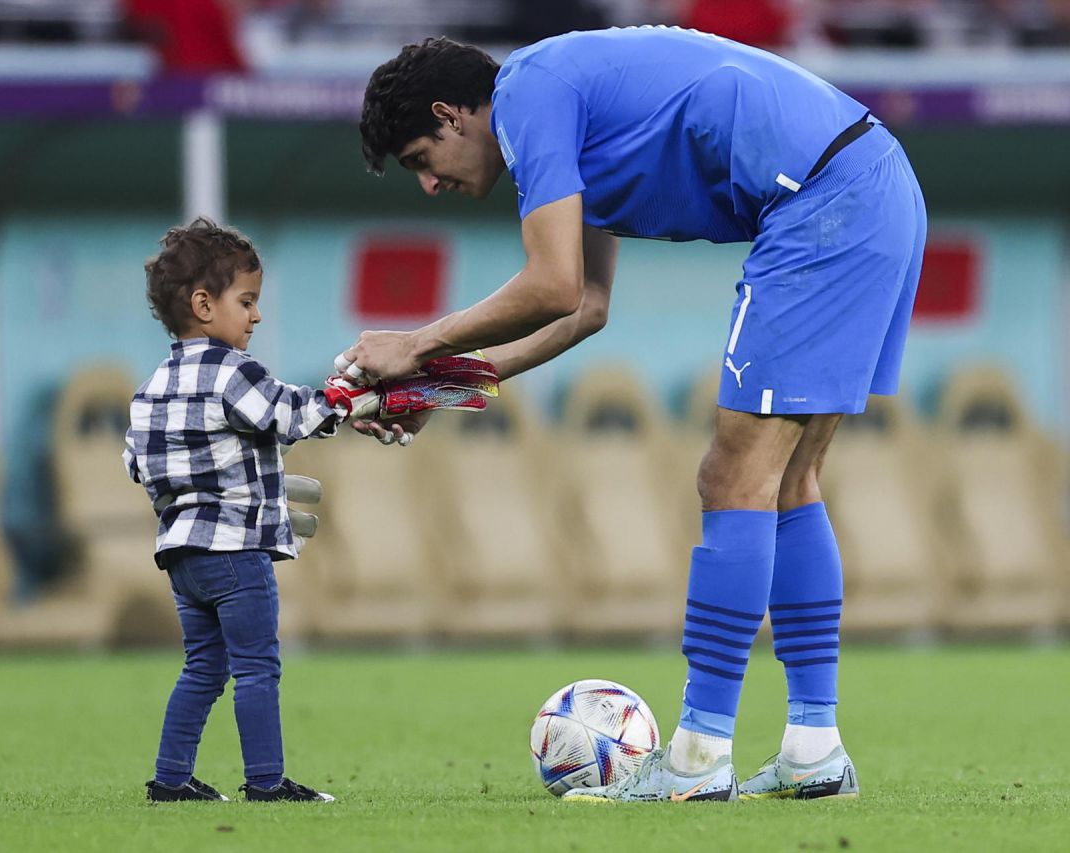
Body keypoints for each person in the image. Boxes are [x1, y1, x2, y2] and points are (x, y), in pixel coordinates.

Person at [346, 27, 926, 801]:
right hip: (874, 185)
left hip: (823, 201)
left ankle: (695, 759)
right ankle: (813, 748)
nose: (428, 184)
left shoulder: (526, 96)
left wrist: (414, 342)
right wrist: (435, 385)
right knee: (790, 482)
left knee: (731, 476)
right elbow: (585, 307)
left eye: (421, 159)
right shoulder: (564, 110)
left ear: (453, 115)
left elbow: (549, 284)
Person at [123, 218, 339, 804]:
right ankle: (266, 782)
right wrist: (350, 394)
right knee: (257, 667)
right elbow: (292, 415)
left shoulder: (151, 388)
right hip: (236, 552)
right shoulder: (233, 371)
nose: (256, 316)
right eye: (246, 301)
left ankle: (170, 780)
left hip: (183, 556)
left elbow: (137, 467)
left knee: (203, 667)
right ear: (203, 303)